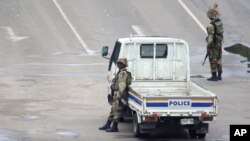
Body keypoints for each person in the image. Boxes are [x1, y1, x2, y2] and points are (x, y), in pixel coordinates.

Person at [99, 58, 132, 132]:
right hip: (118, 95)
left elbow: (122, 86)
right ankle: (108, 124)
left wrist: (119, 97)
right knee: (113, 110)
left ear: (123, 64)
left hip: (120, 95)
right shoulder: (120, 72)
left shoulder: (123, 73)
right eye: (118, 63)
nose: (118, 65)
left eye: (120, 63)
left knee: (117, 111)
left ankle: (114, 127)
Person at [206, 3, 224, 81]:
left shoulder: (211, 26)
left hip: (213, 44)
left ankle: (214, 76)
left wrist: (209, 46)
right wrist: (215, 7)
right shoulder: (219, 21)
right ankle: (219, 75)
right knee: (219, 58)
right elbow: (216, 13)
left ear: (210, 16)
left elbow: (210, 38)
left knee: (212, 59)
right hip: (219, 43)